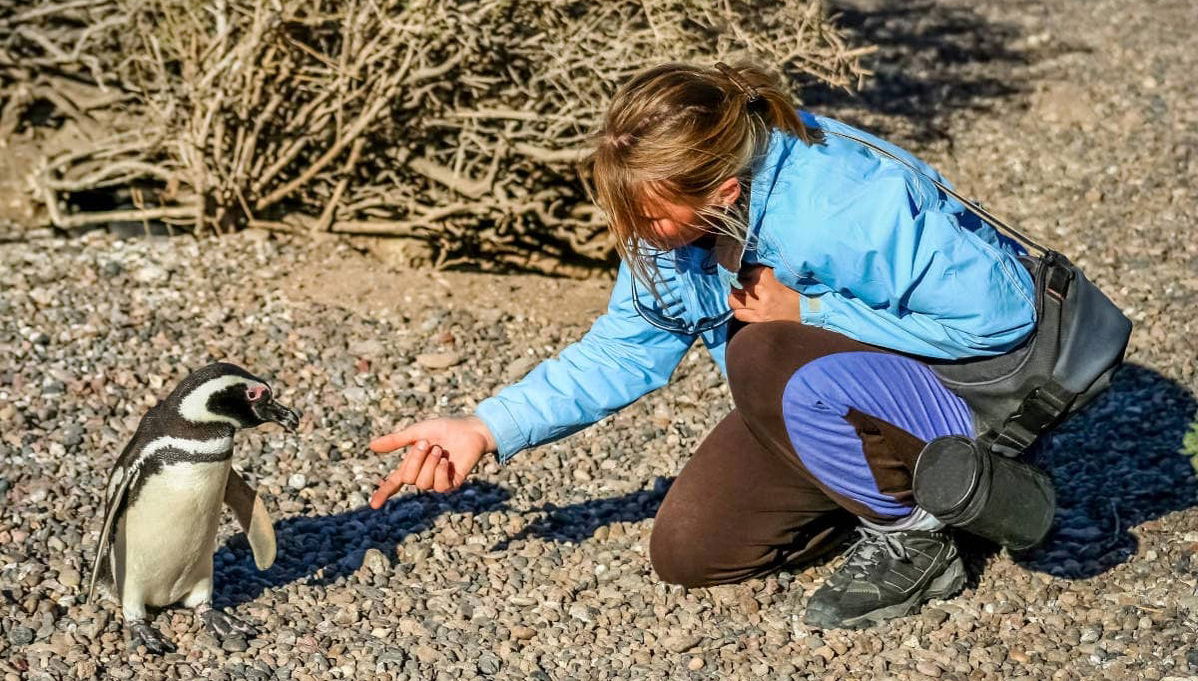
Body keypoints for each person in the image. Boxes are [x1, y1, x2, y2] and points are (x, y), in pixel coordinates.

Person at [368, 62, 1037, 629]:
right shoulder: (669, 226)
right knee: (691, 551)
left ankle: (921, 534)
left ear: (723, 190)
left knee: (761, 350)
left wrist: (806, 308)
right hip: (826, 401)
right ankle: (896, 491)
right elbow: (625, 350)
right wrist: (485, 427)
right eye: (627, 212)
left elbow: (1002, 318)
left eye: (650, 215)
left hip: (965, 391)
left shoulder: (844, 206)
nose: (637, 232)